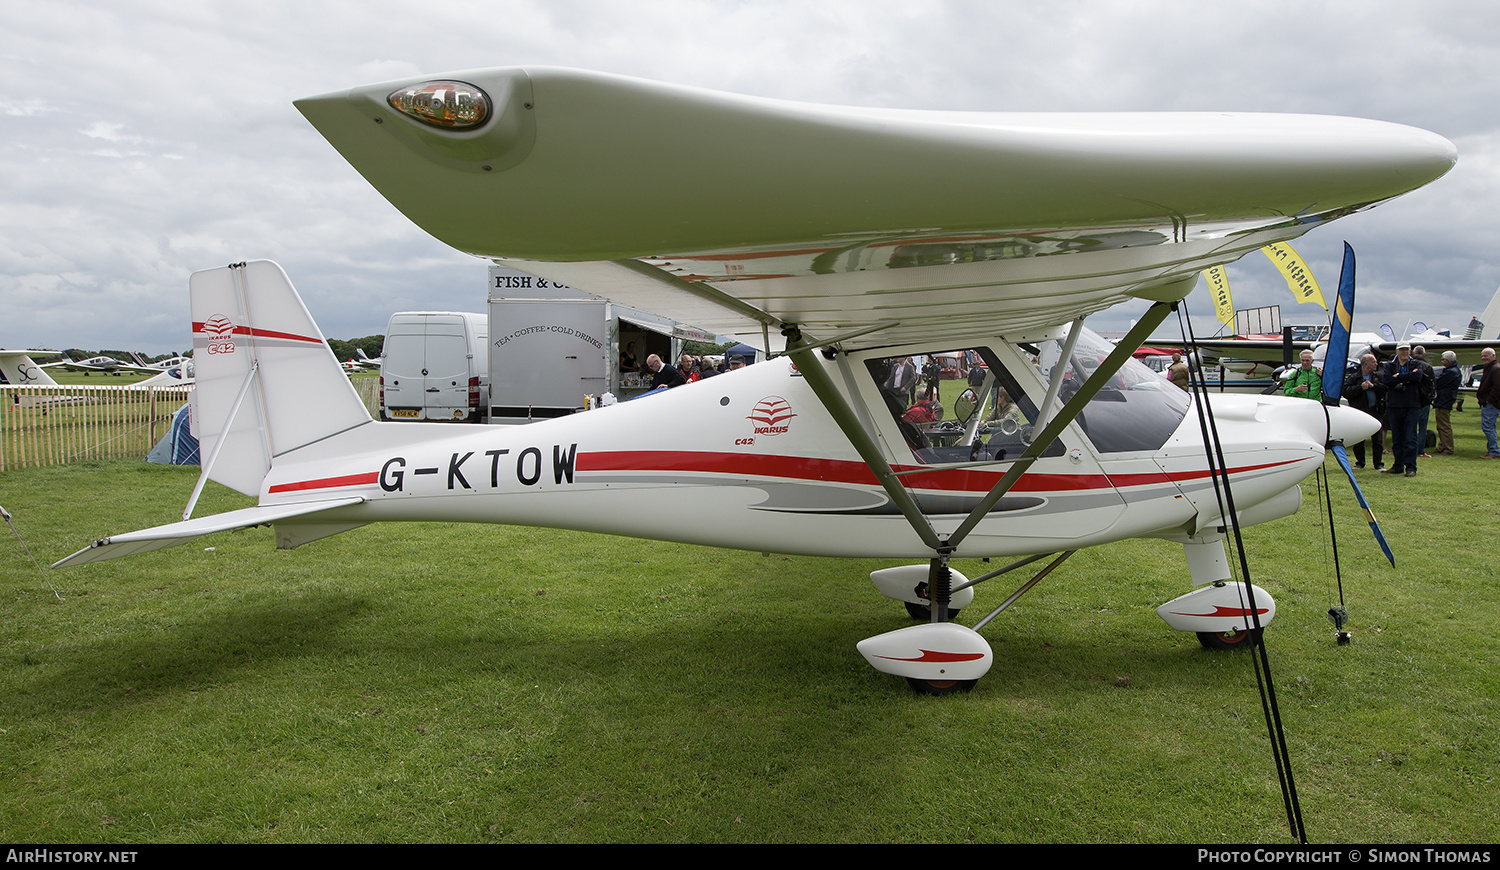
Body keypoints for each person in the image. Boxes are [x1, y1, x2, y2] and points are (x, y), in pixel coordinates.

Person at [1382, 343, 1423, 476]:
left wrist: (1398, 377)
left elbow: (1418, 377)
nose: (1404, 352)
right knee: (1397, 437)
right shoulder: (1389, 365)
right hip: (1395, 404)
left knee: (1410, 437)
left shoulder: (1416, 364)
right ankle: (1398, 465)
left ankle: (1411, 467)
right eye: (1402, 349)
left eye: (1406, 349)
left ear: (1410, 350)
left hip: (1412, 404)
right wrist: (1407, 377)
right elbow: (1387, 380)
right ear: (1397, 351)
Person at [1343, 353, 1386, 470]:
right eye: (1374, 362)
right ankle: (1360, 462)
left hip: (1375, 411)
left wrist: (1374, 386)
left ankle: (1378, 463)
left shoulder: (1378, 376)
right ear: (1366, 364)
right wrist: (1360, 388)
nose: (1376, 364)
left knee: (1377, 439)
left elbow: (1385, 389)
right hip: (1360, 412)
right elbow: (1346, 392)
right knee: (1359, 438)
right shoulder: (1354, 377)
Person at [1433, 350, 1461, 455]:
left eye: (1443, 360)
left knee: (1444, 425)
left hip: (1444, 400)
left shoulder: (1451, 372)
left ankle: (1448, 448)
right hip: (1444, 399)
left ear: (1448, 360)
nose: (1442, 362)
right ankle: (1442, 446)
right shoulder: (1453, 370)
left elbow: (1439, 383)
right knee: (1440, 424)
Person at [1412, 346, 1436, 458]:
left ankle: (1410, 449)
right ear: (1424, 354)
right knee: (1422, 427)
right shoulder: (1428, 367)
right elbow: (1432, 385)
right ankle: (1420, 450)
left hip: (1412, 399)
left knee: (1410, 426)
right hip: (1424, 401)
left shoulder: (1410, 365)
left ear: (1413, 353)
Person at [1478, 347, 1500, 458]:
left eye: (1486, 356)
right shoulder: (1490, 368)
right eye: (1482, 356)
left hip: (1491, 403)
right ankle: (1493, 449)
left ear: (1493, 356)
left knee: (1488, 427)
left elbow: (1497, 386)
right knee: (1489, 426)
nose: (1484, 358)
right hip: (1489, 402)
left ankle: (1494, 451)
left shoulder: (1495, 368)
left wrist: (1489, 400)